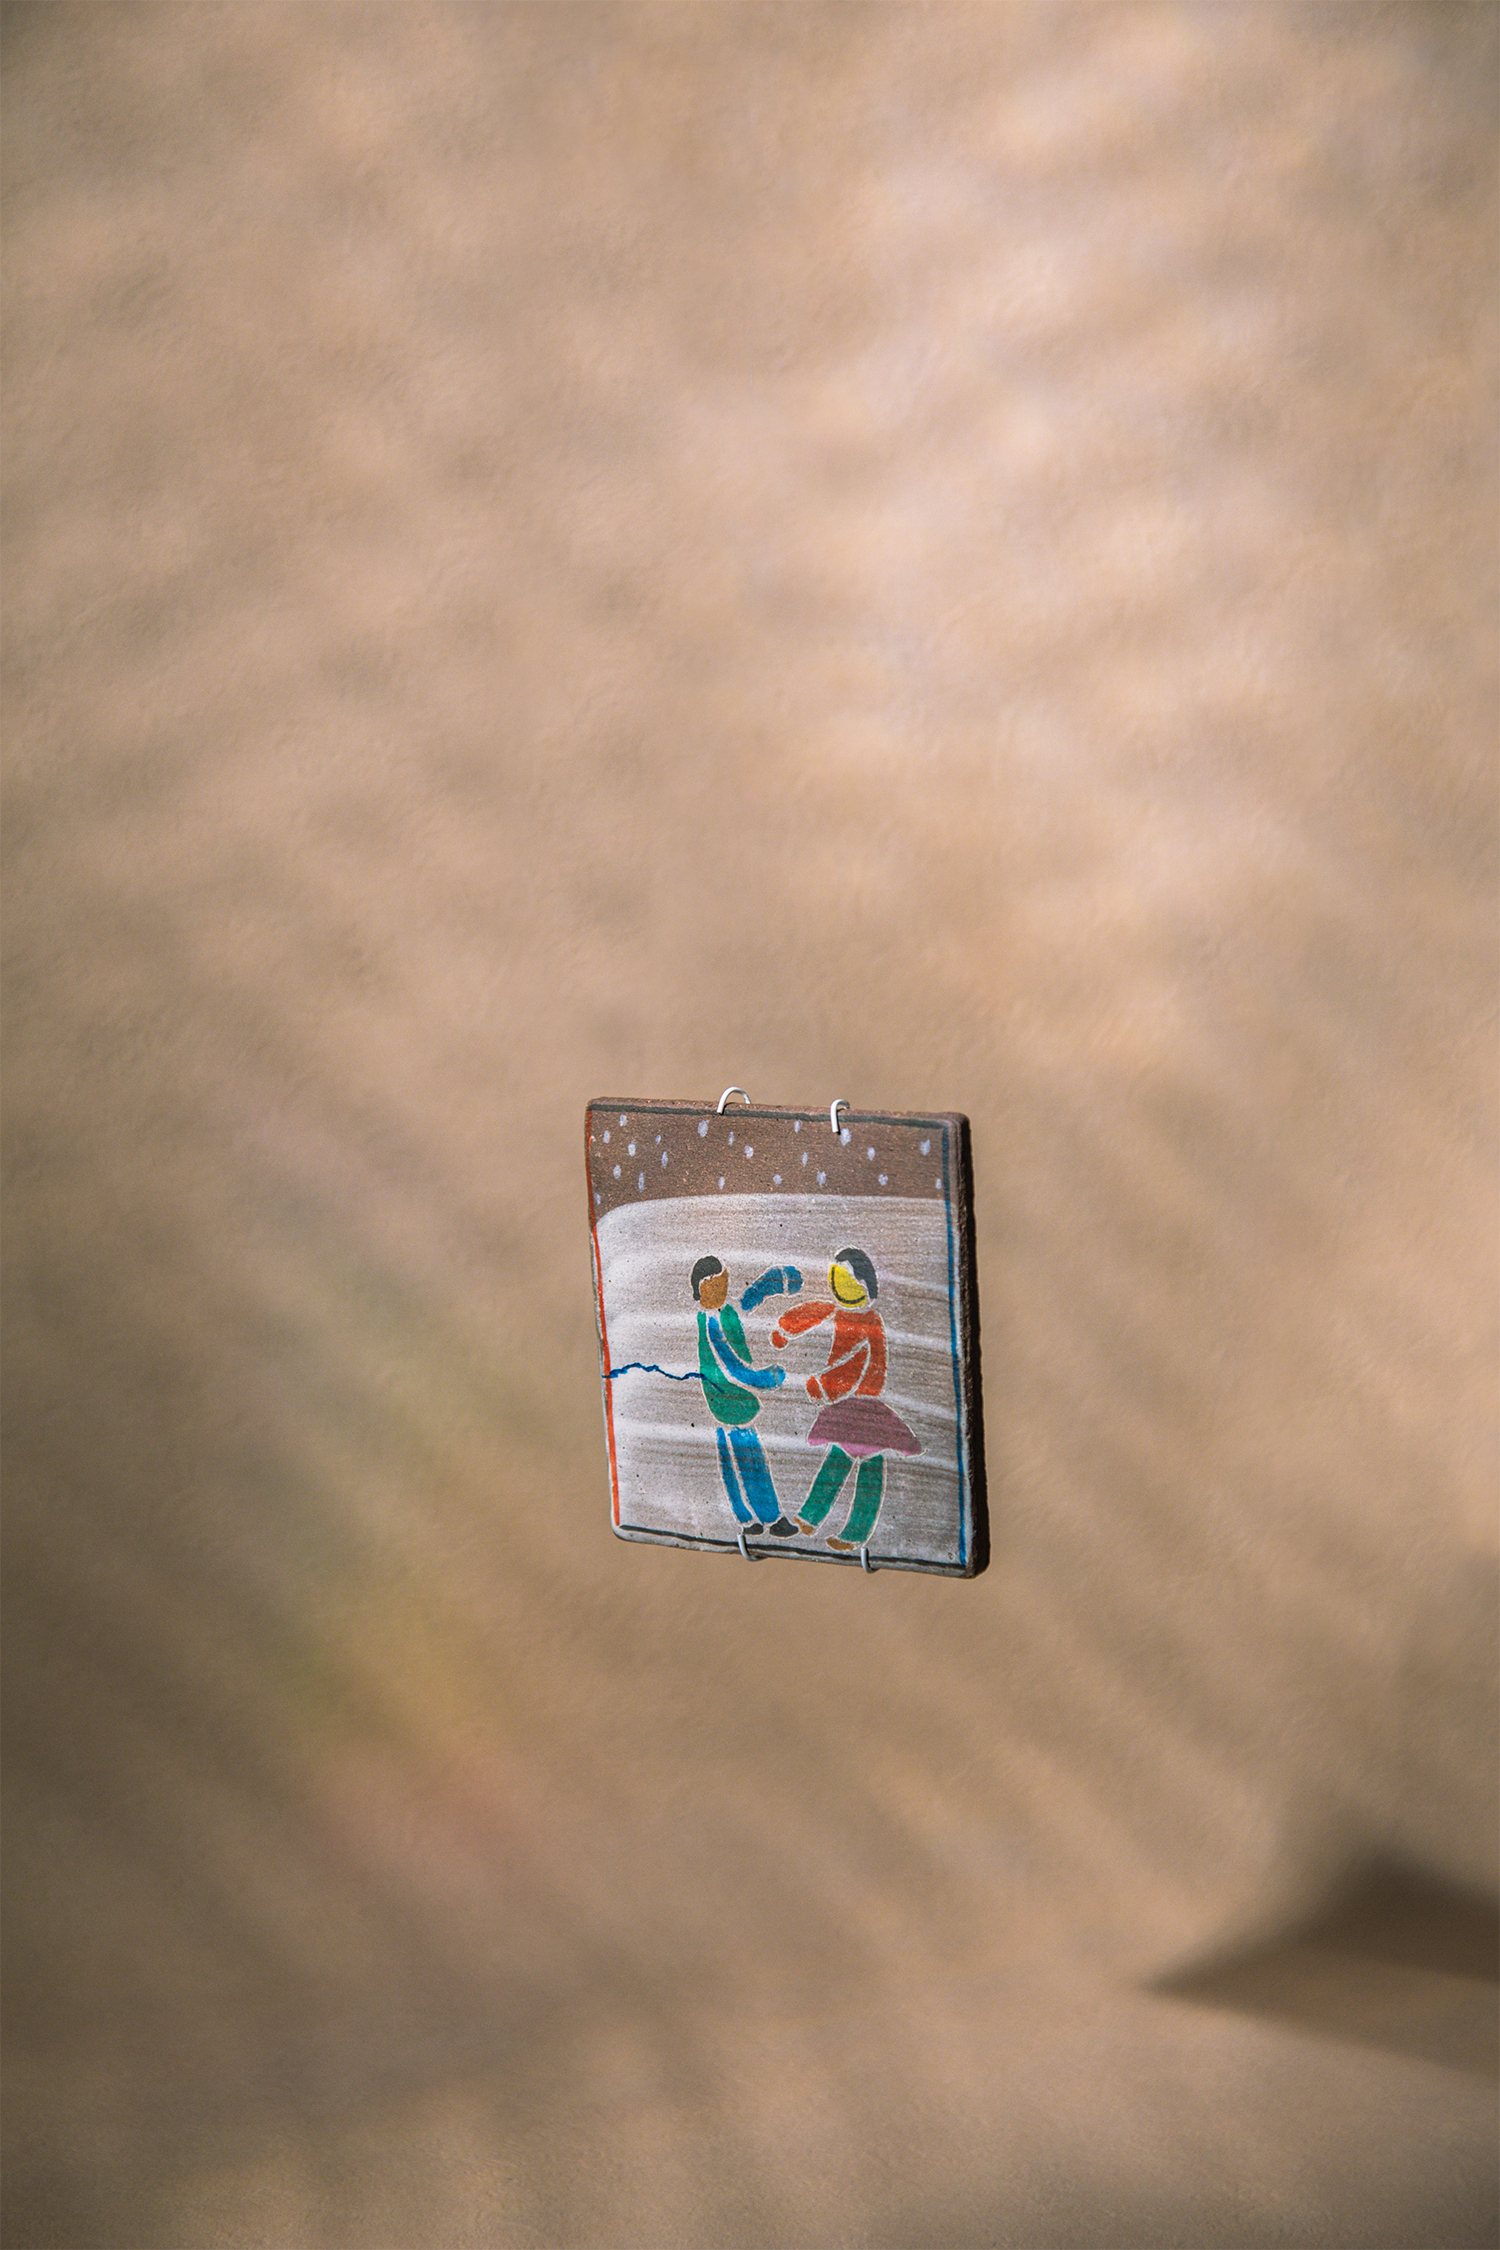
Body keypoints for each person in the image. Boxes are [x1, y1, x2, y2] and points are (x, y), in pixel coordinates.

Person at [770, 1248, 919, 1550]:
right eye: (837, 1281)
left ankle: (854, 1531)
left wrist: (826, 1386)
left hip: (866, 1404)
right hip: (847, 1404)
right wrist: (784, 1330)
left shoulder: (871, 1322)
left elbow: (863, 1362)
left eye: (848, 1282)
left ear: (866, 1286)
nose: (841, 1288)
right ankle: (809, 1517)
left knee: (868, 1466)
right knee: (838, 1459)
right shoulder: (838, 1314)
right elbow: (812, 1313)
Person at [691, 1256, 800, 1538]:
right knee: (744, 1459)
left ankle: (755, 1517)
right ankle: (761, 1517)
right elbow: (731, 1365)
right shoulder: (709, 1322)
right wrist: (764, 1378)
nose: (721, 1289)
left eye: (723, 1282)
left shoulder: (725, 1312)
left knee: (740, 1458)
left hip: (733, 1400)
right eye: (714, 1285)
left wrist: (773, 1283)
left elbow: (745, 1303)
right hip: (727, 1399)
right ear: (702, 1291)